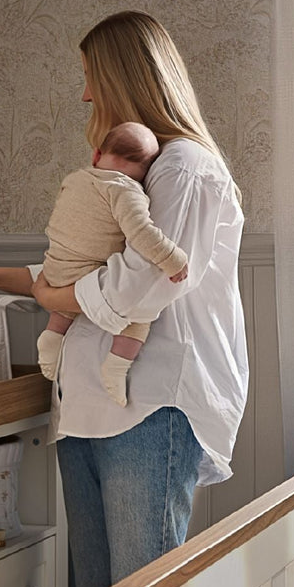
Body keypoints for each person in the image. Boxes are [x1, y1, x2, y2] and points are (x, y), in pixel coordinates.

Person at [0, 10, 248, 587]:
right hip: (88, 409)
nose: (83, 94)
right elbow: (83, 267)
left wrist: (52, 298)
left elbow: (142, 284)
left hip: (149, 407)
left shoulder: (185, 169)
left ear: (123, 79)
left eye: (89, 77)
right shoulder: (131, 175)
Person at [37, 119, 188, 407]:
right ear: (146, 171)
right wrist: (173, 259)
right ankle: (116, 368)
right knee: (142, 313)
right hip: (85, 275)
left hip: (54, 267)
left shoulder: (74, 179)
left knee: (68, 290)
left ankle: (52, 335)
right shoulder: (125, 190)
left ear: (96, 155)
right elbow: (142, 234)